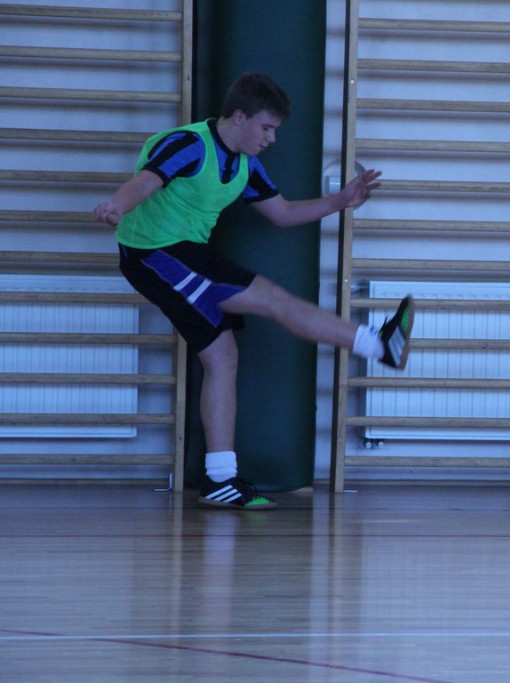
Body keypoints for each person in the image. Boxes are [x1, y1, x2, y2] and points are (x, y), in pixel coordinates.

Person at [94, 71, 413, 510]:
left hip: (181, 254)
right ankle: (377, 345)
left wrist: (340, 201)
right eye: (266, 127)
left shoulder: (245, 166)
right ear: (239, 116)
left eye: (275, 130)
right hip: (156, 253)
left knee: (223, 357)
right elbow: (147, 180)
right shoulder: (189, 144)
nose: (271, 139)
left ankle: (220, 480)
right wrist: (117, 204)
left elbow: (282, 213)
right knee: (272, 300)